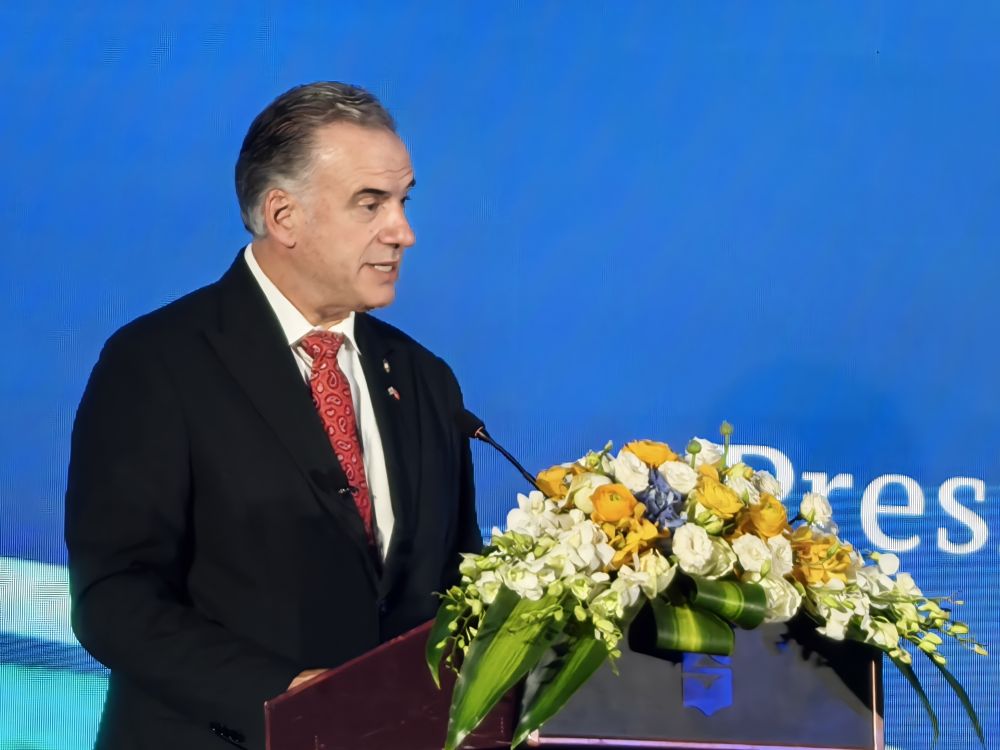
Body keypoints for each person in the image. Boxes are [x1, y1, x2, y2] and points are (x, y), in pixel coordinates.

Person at [64, 82, 482, 750]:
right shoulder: (158, 363)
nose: (402, 232)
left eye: (403, 201)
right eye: (370, 203)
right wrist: (284, 696)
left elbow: (457, 585)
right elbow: (116, 599)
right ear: (283, 216)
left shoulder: (424, 378)